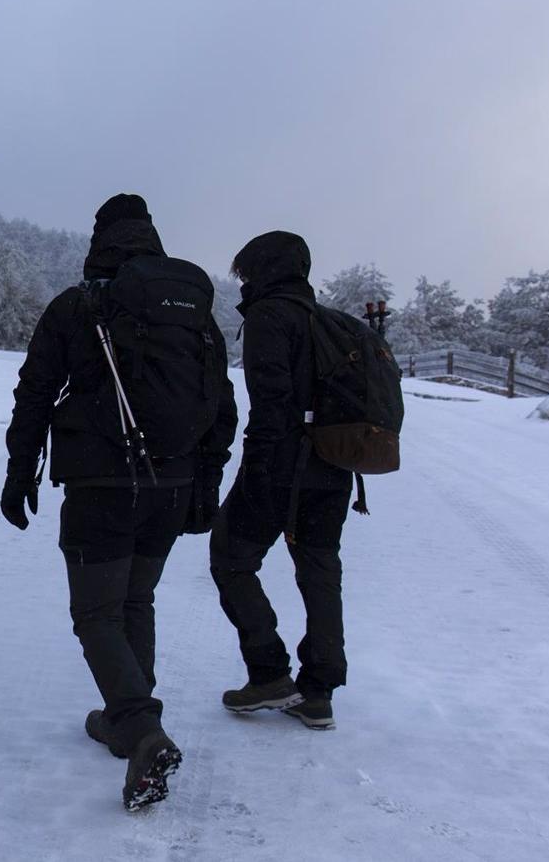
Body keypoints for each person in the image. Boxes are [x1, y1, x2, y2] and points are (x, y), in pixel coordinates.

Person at [1, 194, 237, 811]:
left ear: (100, 240)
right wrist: (204, 480)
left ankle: (138, 726)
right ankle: (125, 717)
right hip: (173, 485)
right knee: (136, 598)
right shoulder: (194, 318)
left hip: (101, 486)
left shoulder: (80, 305)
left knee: (96, 613)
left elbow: (35, 392)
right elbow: (222, 403)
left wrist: (19, 468)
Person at [209, 230, 352, 731]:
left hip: (280, 468)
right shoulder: (327, 321)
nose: (243, 281)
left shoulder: (272, 316)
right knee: (319, 573)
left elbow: (271, 404)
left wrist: (255, 471)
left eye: (246, 271)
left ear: (264, 269)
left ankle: (269, 672)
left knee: (230, 559)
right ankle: (319, 691)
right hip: (334, 469)